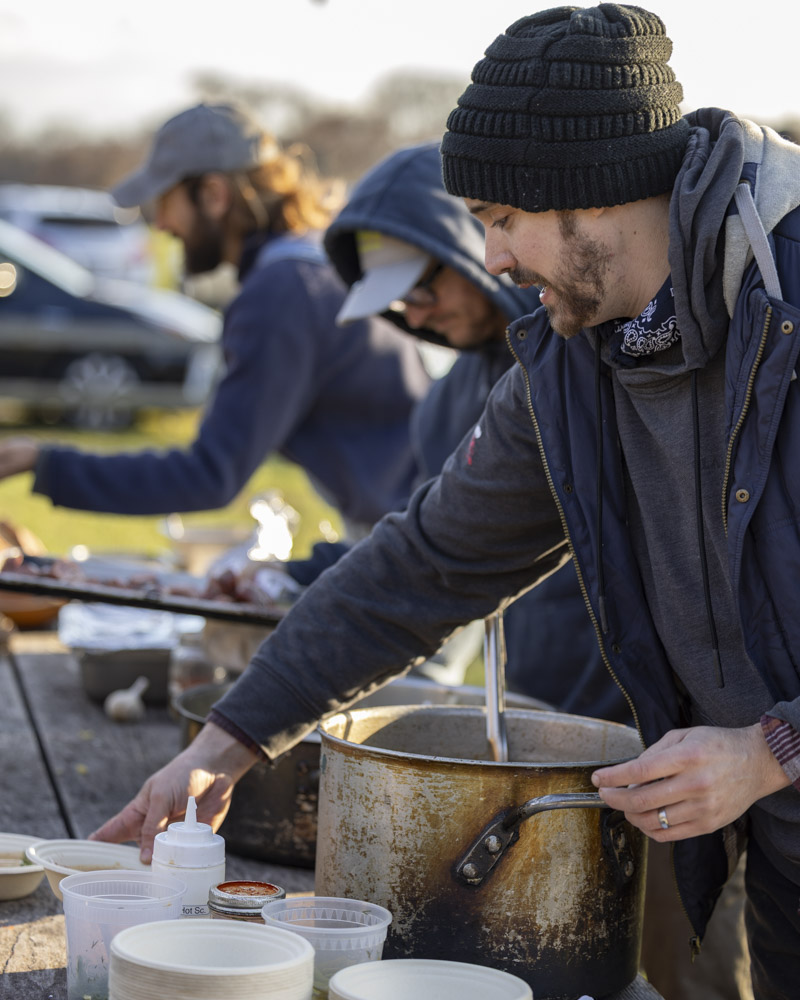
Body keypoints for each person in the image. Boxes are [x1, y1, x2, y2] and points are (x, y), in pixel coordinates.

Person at [92, 7, 800, 996]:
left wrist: (770, 748)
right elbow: (422, 564)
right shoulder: (570, 360)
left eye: (501, 220)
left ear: (589, 197)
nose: (493, 261)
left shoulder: (786, 296)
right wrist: (224, 747)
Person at [290, 139, 623, 715]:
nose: (413, 316)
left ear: (470, 245)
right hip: (535, 708)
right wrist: (288, 577)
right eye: (394, 306)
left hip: (656, 726)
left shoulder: (603, 361)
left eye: (419, 288)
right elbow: (426, 550)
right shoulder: (441, 407)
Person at [0, 104, 431, 536]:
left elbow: (211, 473)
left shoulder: (282, 291)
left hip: (414, 544)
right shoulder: (312, 260)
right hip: (420, 521)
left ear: (213, 194)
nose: (162, 225)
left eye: (165, 202)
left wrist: (44, 462)